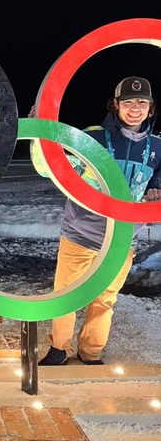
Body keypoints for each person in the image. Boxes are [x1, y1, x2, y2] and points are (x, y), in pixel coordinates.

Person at [32, 76, 161, 366]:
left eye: (142, 102)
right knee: (66, 295)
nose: (135, 108)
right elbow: (48, 167)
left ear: (151, 107)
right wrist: (39, 134)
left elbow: (157, 176)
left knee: (105, 299)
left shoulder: (156, 146)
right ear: (116, 105)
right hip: (81, 234)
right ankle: (59, 349)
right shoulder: (93, 138)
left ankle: (91, 351)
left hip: (122, 239)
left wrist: (156, 189)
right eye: (128, 102)